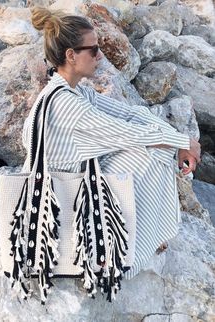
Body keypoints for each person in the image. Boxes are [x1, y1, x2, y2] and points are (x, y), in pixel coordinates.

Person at [23, 7, 201, 282]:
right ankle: (121, 256)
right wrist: (180, 142)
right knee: (149, 154)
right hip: (61, 203)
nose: (101, 55)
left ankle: (142, 236)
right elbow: (127, 133)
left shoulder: (72, 91)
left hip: (74, 185)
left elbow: (130, 114)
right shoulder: (65, 104)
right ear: (71, 56)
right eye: (93, 50)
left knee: (154, 146)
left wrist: (179, 142)